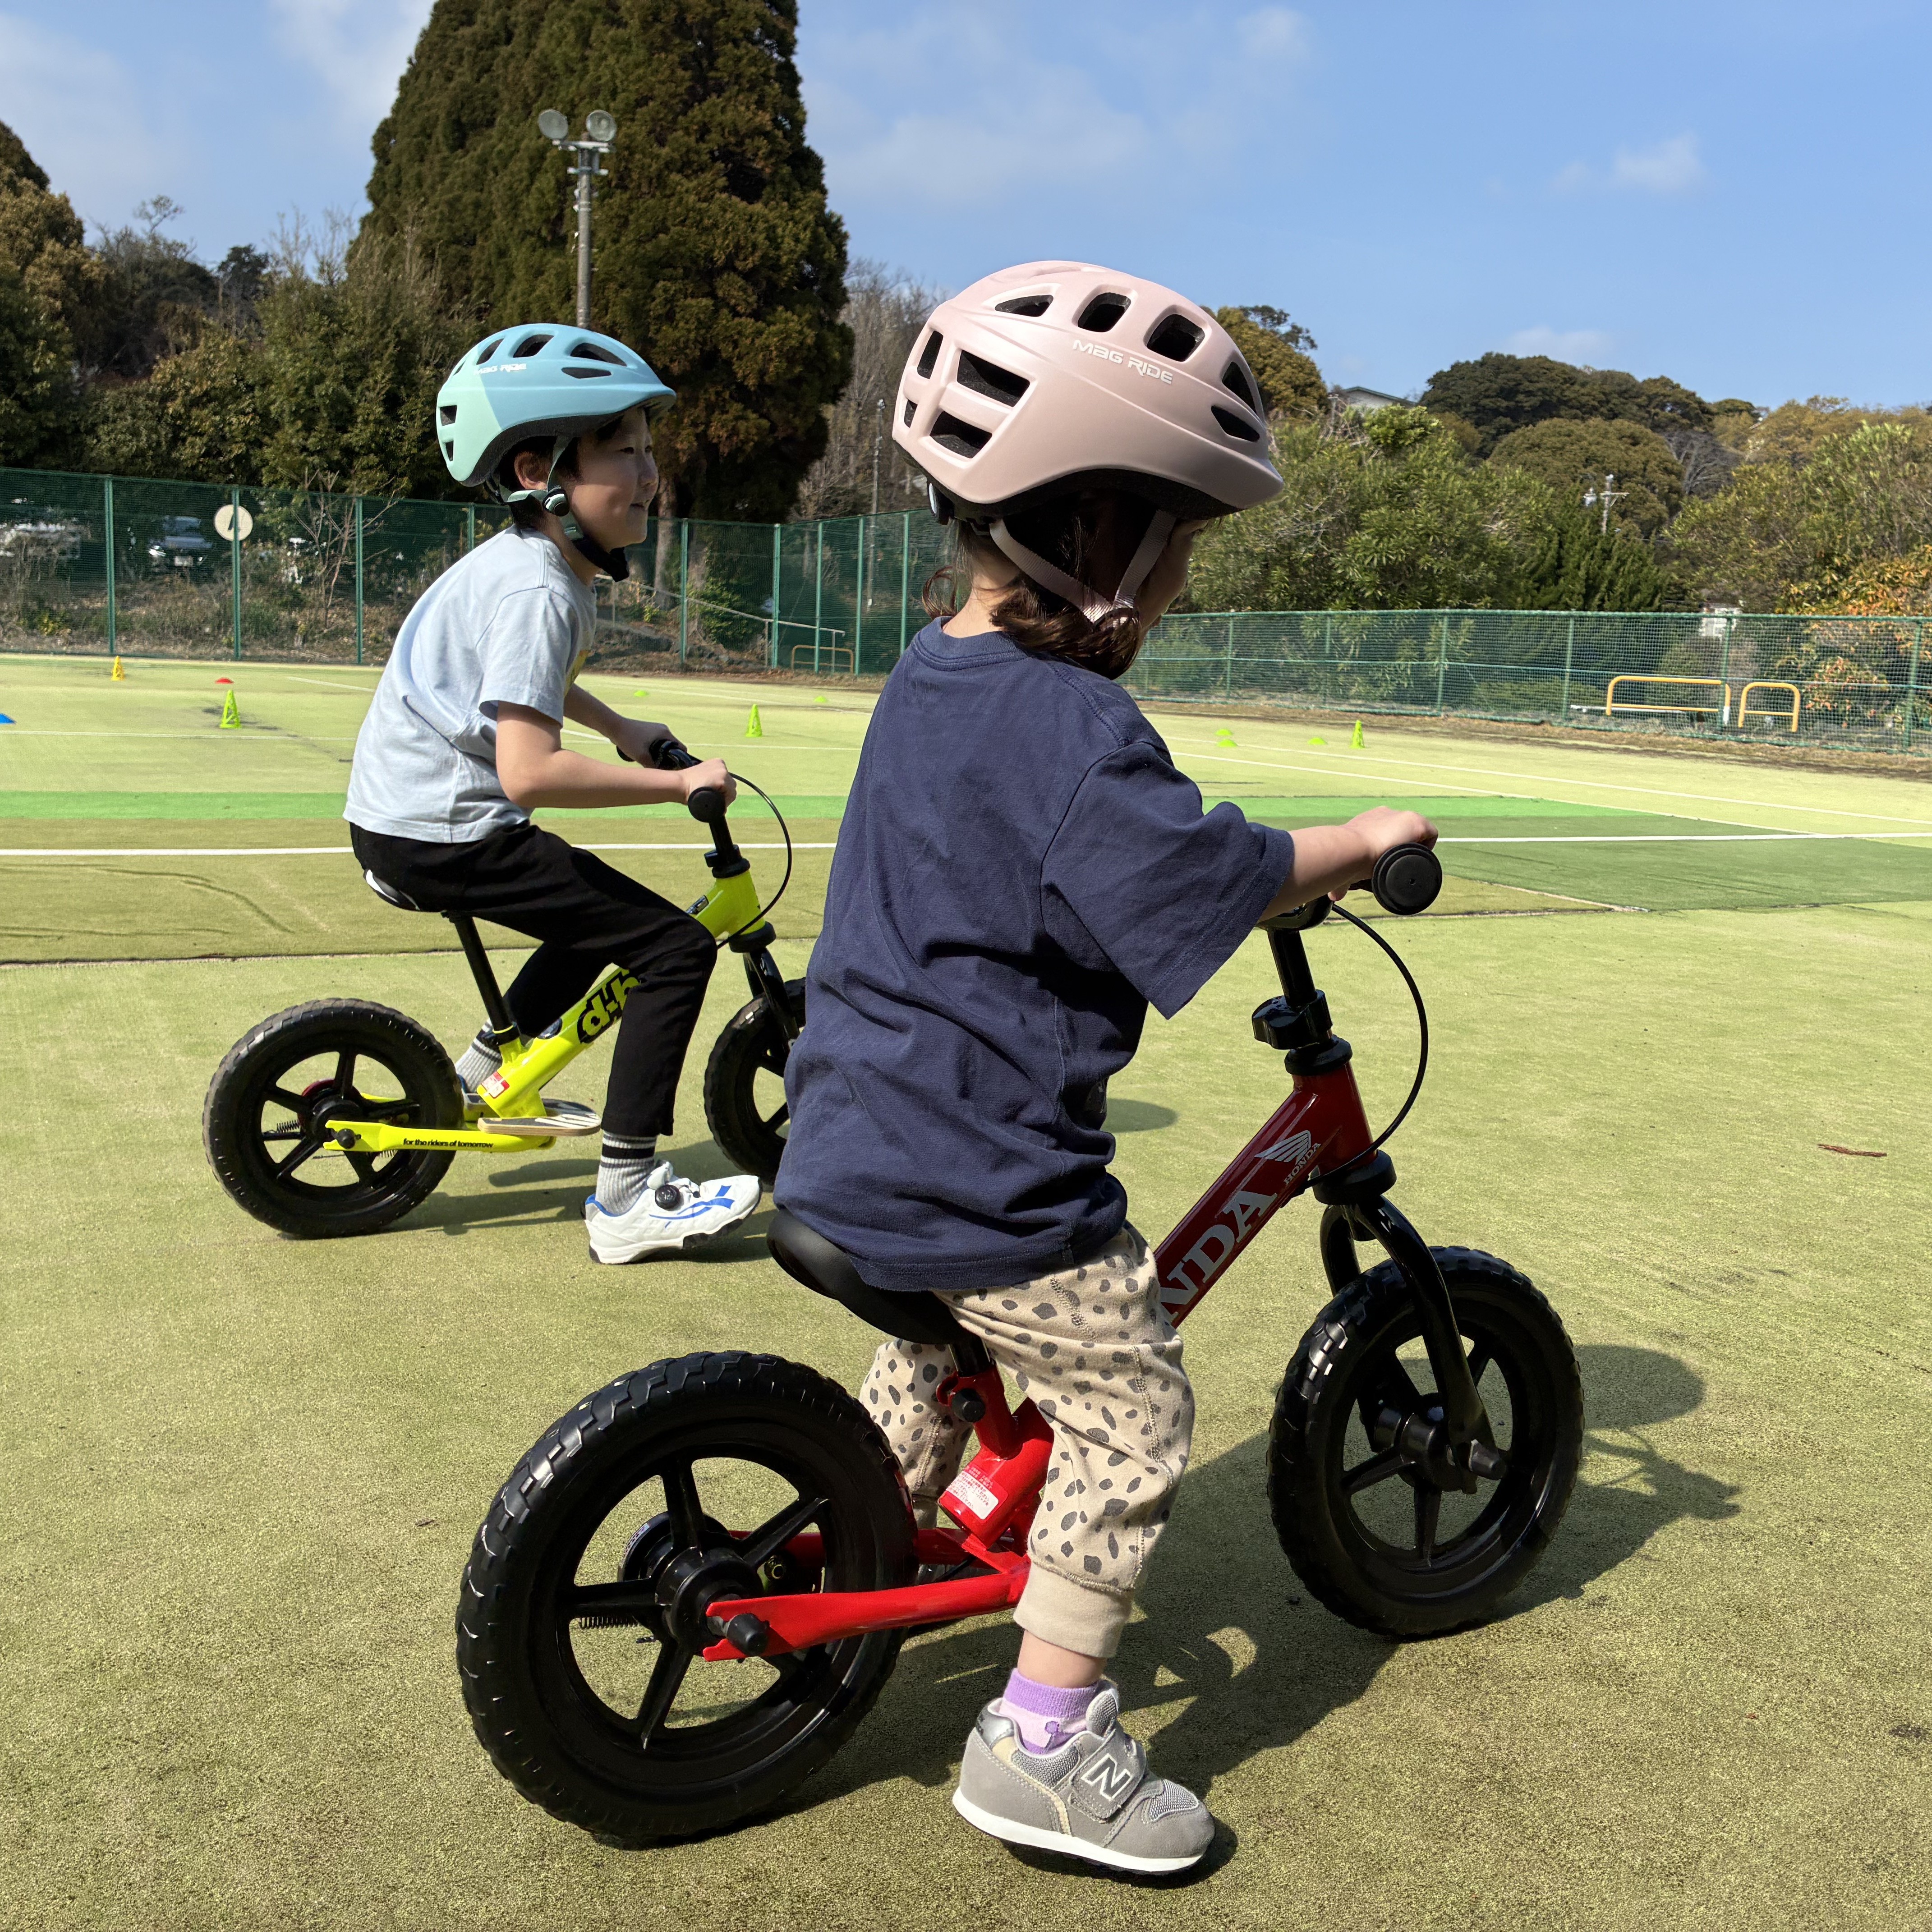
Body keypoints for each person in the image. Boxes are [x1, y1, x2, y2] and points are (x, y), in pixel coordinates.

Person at [774, 264, 1437, 1873]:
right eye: (1181, 543)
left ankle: (859, 1525)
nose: (1185, 584)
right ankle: (1043, 1741)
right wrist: (1354, 842)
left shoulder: (930, 678)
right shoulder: (1077, 734)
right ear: (1095, 534)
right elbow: (1199, 876)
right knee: (1129, 1400)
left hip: (848, 1141)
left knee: (946, 1346)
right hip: (977, 1167)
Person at [343, 324, 760, 1264]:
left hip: (404, 818)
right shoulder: (539, 590)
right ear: (540, 469)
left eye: (652, 451)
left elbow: (524, 680)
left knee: (589, 917)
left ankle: (487, 1076)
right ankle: (625, 1198)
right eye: (625, 451)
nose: (650, 474)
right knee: (675, 947)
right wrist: (674, 782)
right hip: (446, 829)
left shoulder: (527, 569)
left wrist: (618, 727)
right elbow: (529, 773)